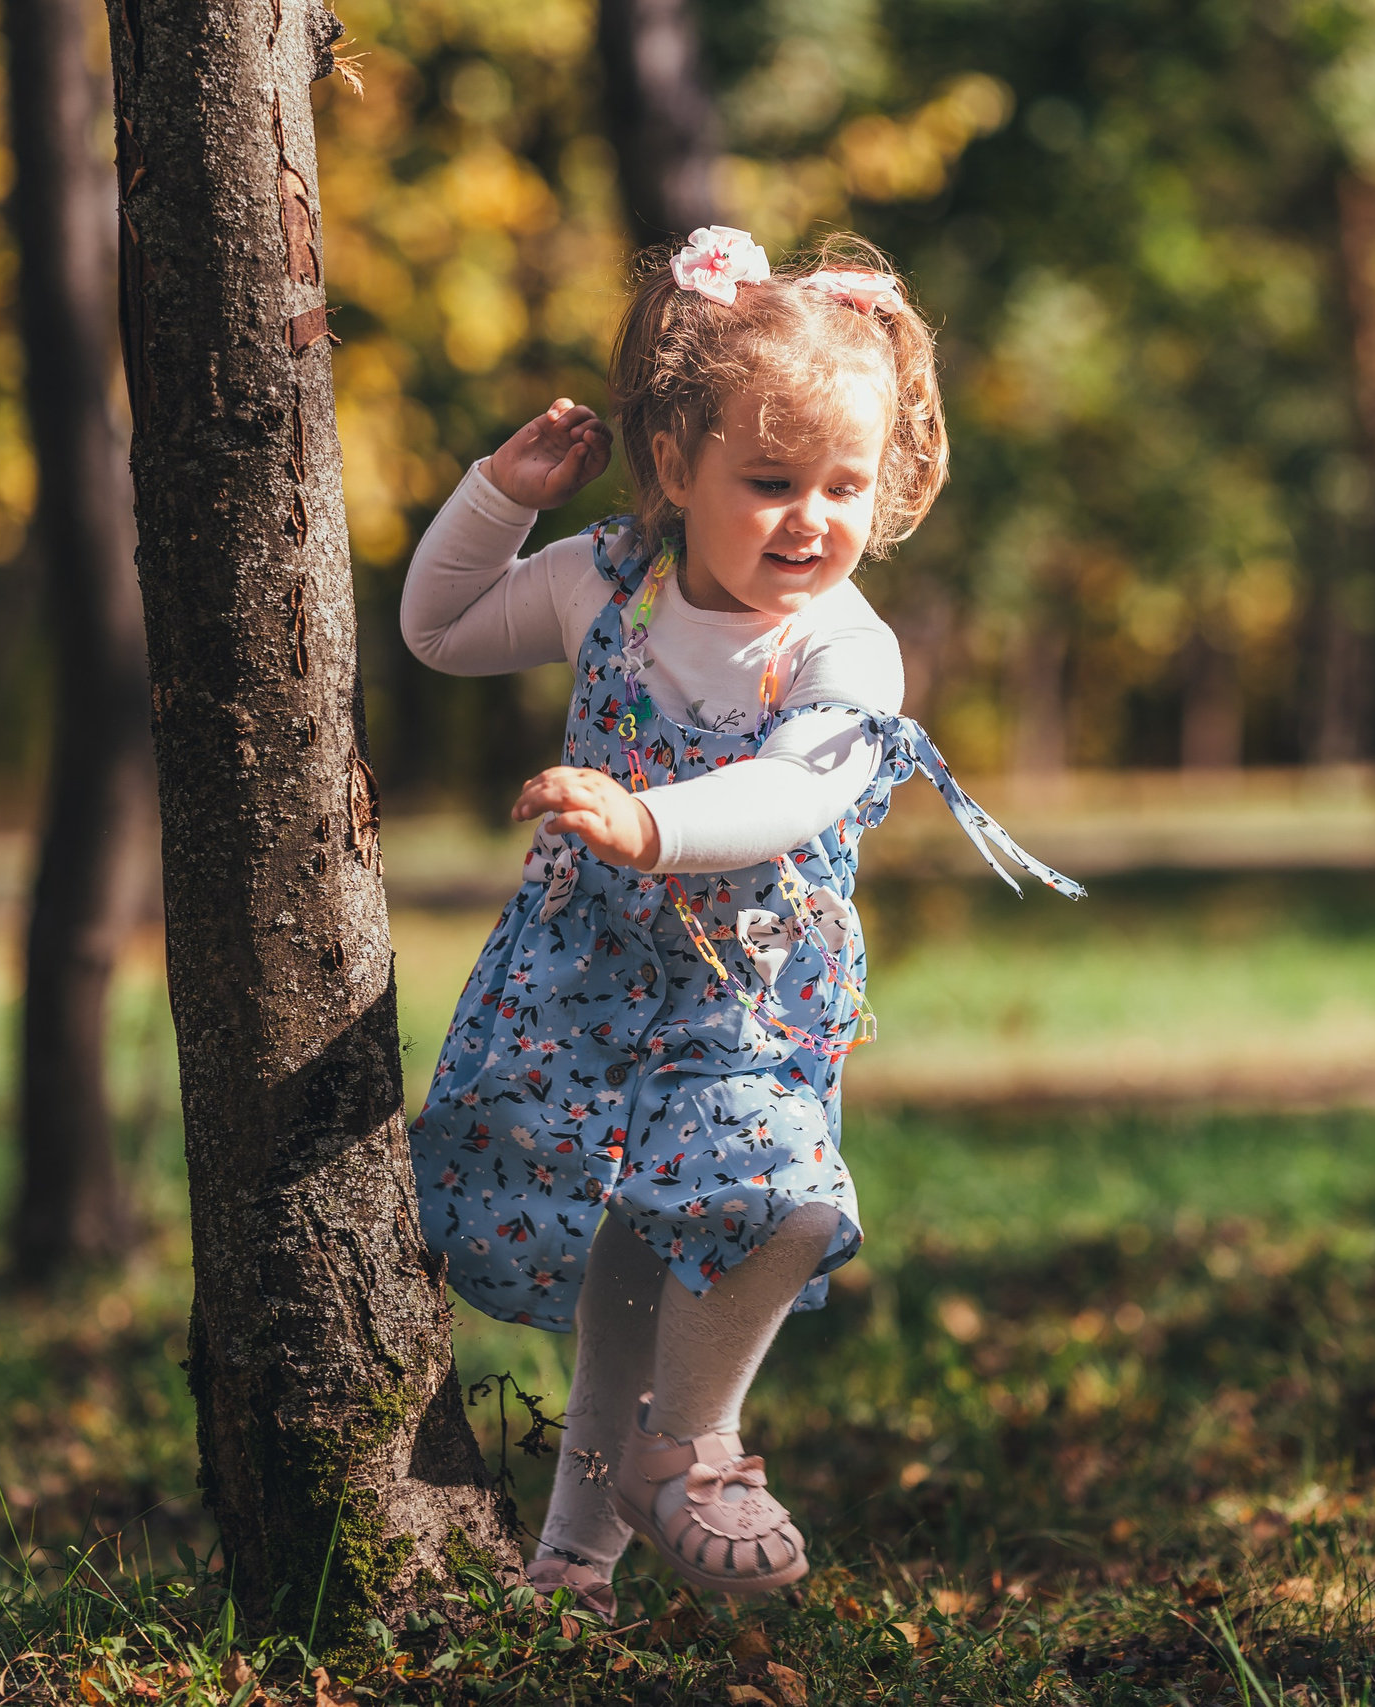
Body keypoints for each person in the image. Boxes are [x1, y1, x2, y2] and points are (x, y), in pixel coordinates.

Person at [401, 226, 1081, 1620]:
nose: (809, 521)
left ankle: (688, 1453)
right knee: (619, 1268)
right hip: (583, 982)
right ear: (675, 467)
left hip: (744, 1002)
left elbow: (785, 792)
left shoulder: (844, 642)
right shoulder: (609, 578)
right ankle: (573, 1564)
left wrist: (647, 822)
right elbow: (441, 630)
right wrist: (495, 497)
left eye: (843, 487)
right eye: (769, 483)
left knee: (784, 1205)